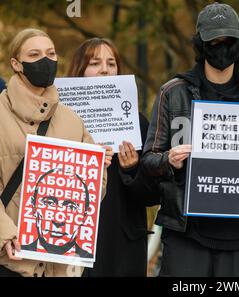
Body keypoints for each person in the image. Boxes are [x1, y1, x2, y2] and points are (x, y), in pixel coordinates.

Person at [140, 2, 239, 277]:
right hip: (185, 232)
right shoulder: (173, 93)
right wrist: (169, 160)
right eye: (213, 41)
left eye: (228, 40)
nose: (221, 47)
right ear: (200, 45)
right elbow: (148, 160)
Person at [0, 28, 112, 277]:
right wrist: (5, 234)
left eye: (51, 53)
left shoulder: (72, 120)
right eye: (35, 54)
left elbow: (92, 196)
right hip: (9, 260)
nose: (46, 60)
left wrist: (97, 167)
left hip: (56, 267)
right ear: (16, 64)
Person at [67, 38, 160, 277]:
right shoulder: (60, 122)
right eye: (95, 63)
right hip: (70, 239)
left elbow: (153, 194)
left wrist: (132, 170)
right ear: (80, 70)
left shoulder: (135, 123)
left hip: (123, 243)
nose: (105, 69)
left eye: (111, 63)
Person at [21, 168, 93, 259]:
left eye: (71, 207)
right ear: (33, 207)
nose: (58, 220)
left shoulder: (88, 258)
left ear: (85, 215)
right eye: (49, 203)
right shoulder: (20, 250)